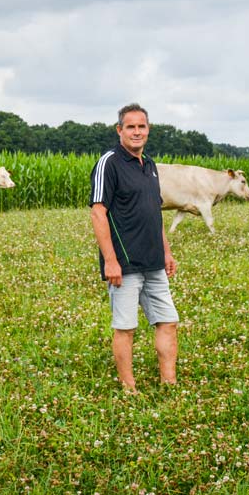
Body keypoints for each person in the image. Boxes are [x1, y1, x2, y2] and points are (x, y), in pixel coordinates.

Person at [89, 103, 179, 393]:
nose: (137, 132)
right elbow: (98, 212)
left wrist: (166, 251)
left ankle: (169, 382)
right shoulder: (109, 163)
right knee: (125, 327)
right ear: (120, 130)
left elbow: (155, 211)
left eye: (142, 126)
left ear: (148, 130)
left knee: (168, 321)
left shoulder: (150, 166)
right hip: (124, 264)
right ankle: (129, 388)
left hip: (154, 262)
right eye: (131, 127)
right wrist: (110, 261)